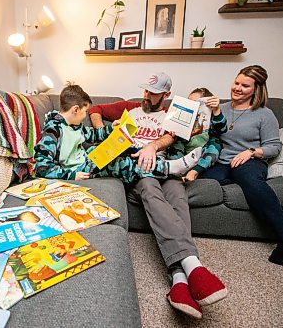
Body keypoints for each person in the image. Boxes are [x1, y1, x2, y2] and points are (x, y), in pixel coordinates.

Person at [89, 73, 227, 319]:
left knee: (177, 195)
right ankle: (192, 267)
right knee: (151, 191)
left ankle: (179, 282)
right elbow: (95, 108)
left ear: (165, 95)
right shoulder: (130, 110)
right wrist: (104, 131)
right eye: (144, 90)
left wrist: (152, 146)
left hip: (165, 165)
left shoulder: (172, 115)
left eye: (152, 92)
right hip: (140, 170)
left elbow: (171, 136)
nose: (145, 95)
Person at [198, 65, 283, 266]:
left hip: (249, 161)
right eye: (236, 82)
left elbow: (274, 146)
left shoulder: (264, 114)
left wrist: (250, 152)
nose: (237, 88)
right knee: (198, 180)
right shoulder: (220, 109)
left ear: (256, 90)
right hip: (222, 161)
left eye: (245, 85)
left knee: (253, 184)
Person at [34, 82, 202, 184]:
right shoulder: (53, 131)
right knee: (121, 164)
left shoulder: (75, 126)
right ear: (75, 109)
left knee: (125, 153)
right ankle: (171, 168)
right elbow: (42, 167)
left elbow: (94, 135)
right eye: (85, 112)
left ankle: (164, 166)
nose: (86, 115)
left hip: (87, 159)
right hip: (78, 169)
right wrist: (71, 175)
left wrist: (113, 129)